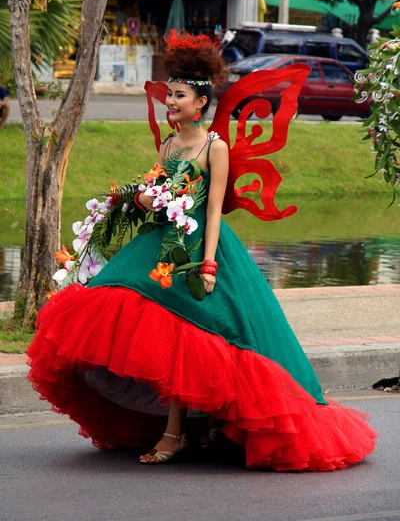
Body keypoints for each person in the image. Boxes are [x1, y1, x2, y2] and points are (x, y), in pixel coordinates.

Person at [27, 31, 377, 470]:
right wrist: (143, 199)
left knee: (196, 335)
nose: (170, 103)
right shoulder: (169, 144)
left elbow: (213, 212)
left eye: (178, 96)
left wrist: (208, 264)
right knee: (123, 302)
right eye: (169, 95)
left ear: (201, 103)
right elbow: (158, 186)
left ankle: (177, 433)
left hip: (197, 247)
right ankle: (189, 428)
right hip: (162, 240)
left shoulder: (216, 148)